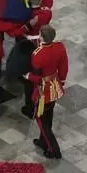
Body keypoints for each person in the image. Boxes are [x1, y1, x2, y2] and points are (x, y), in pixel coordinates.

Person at [26, 24, 68, 159]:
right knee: (48, 115)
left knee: (41, 120)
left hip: (43, 91)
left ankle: (53, 149)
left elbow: (37, 78)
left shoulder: (37, 54)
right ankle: (43, 141)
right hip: (55, 85)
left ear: (41, 37)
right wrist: (61, 81)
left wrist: (27, 76)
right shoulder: (60, 47)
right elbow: (63, 67)